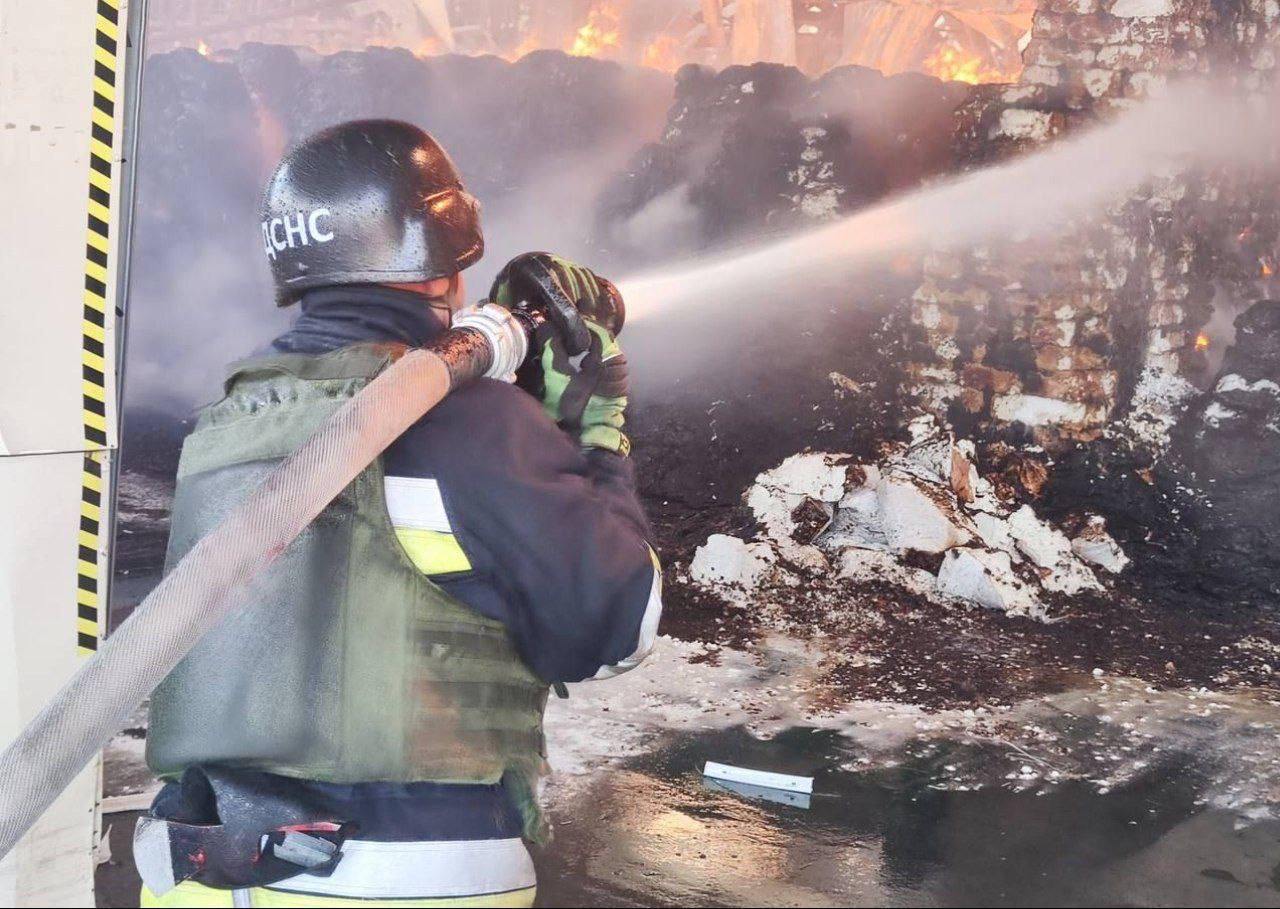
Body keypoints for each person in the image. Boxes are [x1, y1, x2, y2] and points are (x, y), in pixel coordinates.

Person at [134, 119, 661, 907]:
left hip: (203, 873)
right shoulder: (467, 424)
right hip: (392, 876)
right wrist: (595, 437)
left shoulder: (231, 417)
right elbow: (618, 628)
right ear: (443, 249)